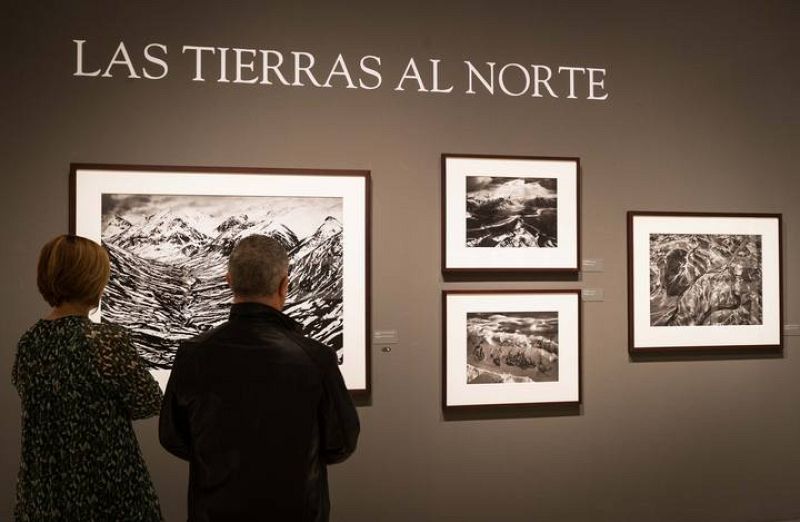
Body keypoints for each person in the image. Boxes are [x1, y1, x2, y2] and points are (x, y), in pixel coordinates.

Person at [159, 234, 359, 522]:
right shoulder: (316, 358)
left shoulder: (193, 355)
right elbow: (341, 442)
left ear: (229, 280)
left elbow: (172, 437)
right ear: (283, 285)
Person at [12, 234, 163, 521]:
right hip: (107, 491)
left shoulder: (28, 342)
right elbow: (149, 402)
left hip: (43, 494)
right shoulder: (106, 340)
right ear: (92, 280)